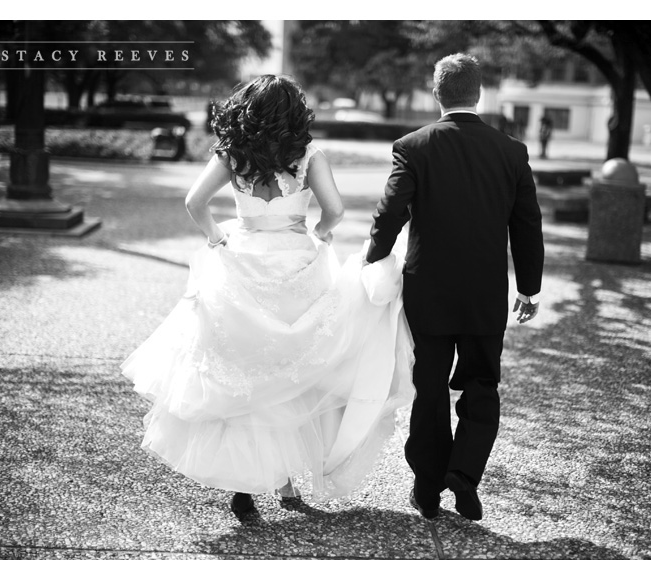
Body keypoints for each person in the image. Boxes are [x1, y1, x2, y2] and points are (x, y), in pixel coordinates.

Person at [121, 75, 414, 520]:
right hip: (297, 264)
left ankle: (246, 488)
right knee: (294, 374)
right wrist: (317, 234)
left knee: (245, 374)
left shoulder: (231, 153)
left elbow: (194, 203)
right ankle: (287, 487)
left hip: (244, 261)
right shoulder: (309, 154)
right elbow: (334, 210)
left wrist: (217, 239)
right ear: (295, 113)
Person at [365, 53, 544, 521]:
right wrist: (528, 288)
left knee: (429, 388)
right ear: (478, 93)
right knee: (482, 384)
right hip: (485, 293)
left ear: (436, 93)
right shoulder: (511, 151)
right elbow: (527, 225)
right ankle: (463, 476)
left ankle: (427, 490)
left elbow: (390, 213)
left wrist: (372, 260)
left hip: (429, 291)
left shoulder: (414, 146)